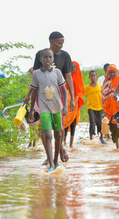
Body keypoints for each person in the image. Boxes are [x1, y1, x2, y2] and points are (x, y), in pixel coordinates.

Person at [25, 31, 75, 163]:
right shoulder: (40, 55)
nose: (61, 46)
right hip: (42, 94)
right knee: (45, 126)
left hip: (59, 94)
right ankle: (49, 156)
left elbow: (68, 78)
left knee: (60, 125)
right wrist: (28, 96)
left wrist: (72, 98)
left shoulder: (65, 56)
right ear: (52, 42)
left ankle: (60, 149)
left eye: (62, 43)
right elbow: (35, 77)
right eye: (59, 43)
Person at [28, 48, 68, 172]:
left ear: (52, 59)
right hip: (44, 108)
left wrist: (65, 105)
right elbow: (34, 92)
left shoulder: (57, 73)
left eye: (50, 57)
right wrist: (31, 110)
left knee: (58, 134)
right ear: (41, 59)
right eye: (45, 57)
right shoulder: (37, 74)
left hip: (57, 108)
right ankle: (50, 164)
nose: (47, 59)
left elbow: (64, 91)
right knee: (47, 134)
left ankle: (56, 162)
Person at [101, 64, 119, 149]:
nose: (112, 74)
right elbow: (103, 96)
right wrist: (104, 109)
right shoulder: (106, 82)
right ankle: (117, 146)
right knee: (113, 127)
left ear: (116, 72)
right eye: (110, 72)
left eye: (113, 72)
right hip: (110, 108)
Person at [64, 61, 85, 147]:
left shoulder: (78, 78)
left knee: (73, 123)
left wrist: (76, 98)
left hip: (75, 104)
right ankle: (64, 141)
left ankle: (71, 144)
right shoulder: (67, 77)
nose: (72, 68)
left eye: (74, 67)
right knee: (65, 122)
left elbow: (81, 91)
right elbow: (64, 88)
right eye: (71, 67)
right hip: (67, 104)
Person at [84, 70, 106, 144]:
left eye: (94, 75)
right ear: (89, 77)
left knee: (100, 123)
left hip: (100, 107)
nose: (93, 77)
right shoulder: (87, 87)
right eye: (91, 76)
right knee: (92, 122)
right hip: (91, 107)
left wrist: (104, 107)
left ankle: (101, 138)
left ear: (96, 77)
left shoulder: (100, 85)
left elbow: (103, 96)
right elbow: (83, 93)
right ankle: (91, 139)